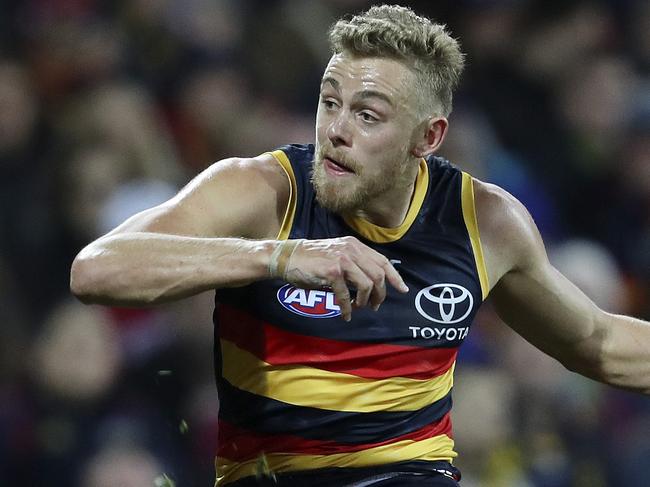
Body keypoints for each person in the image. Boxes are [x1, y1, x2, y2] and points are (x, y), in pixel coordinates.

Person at [70, 5, 650, 486]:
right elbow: (95, 270)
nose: (336, 129)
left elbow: (596, 342)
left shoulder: (484, 221)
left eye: (368, 114)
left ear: (428, 136)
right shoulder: (263, 190)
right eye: (329, 102)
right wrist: (277, 256)